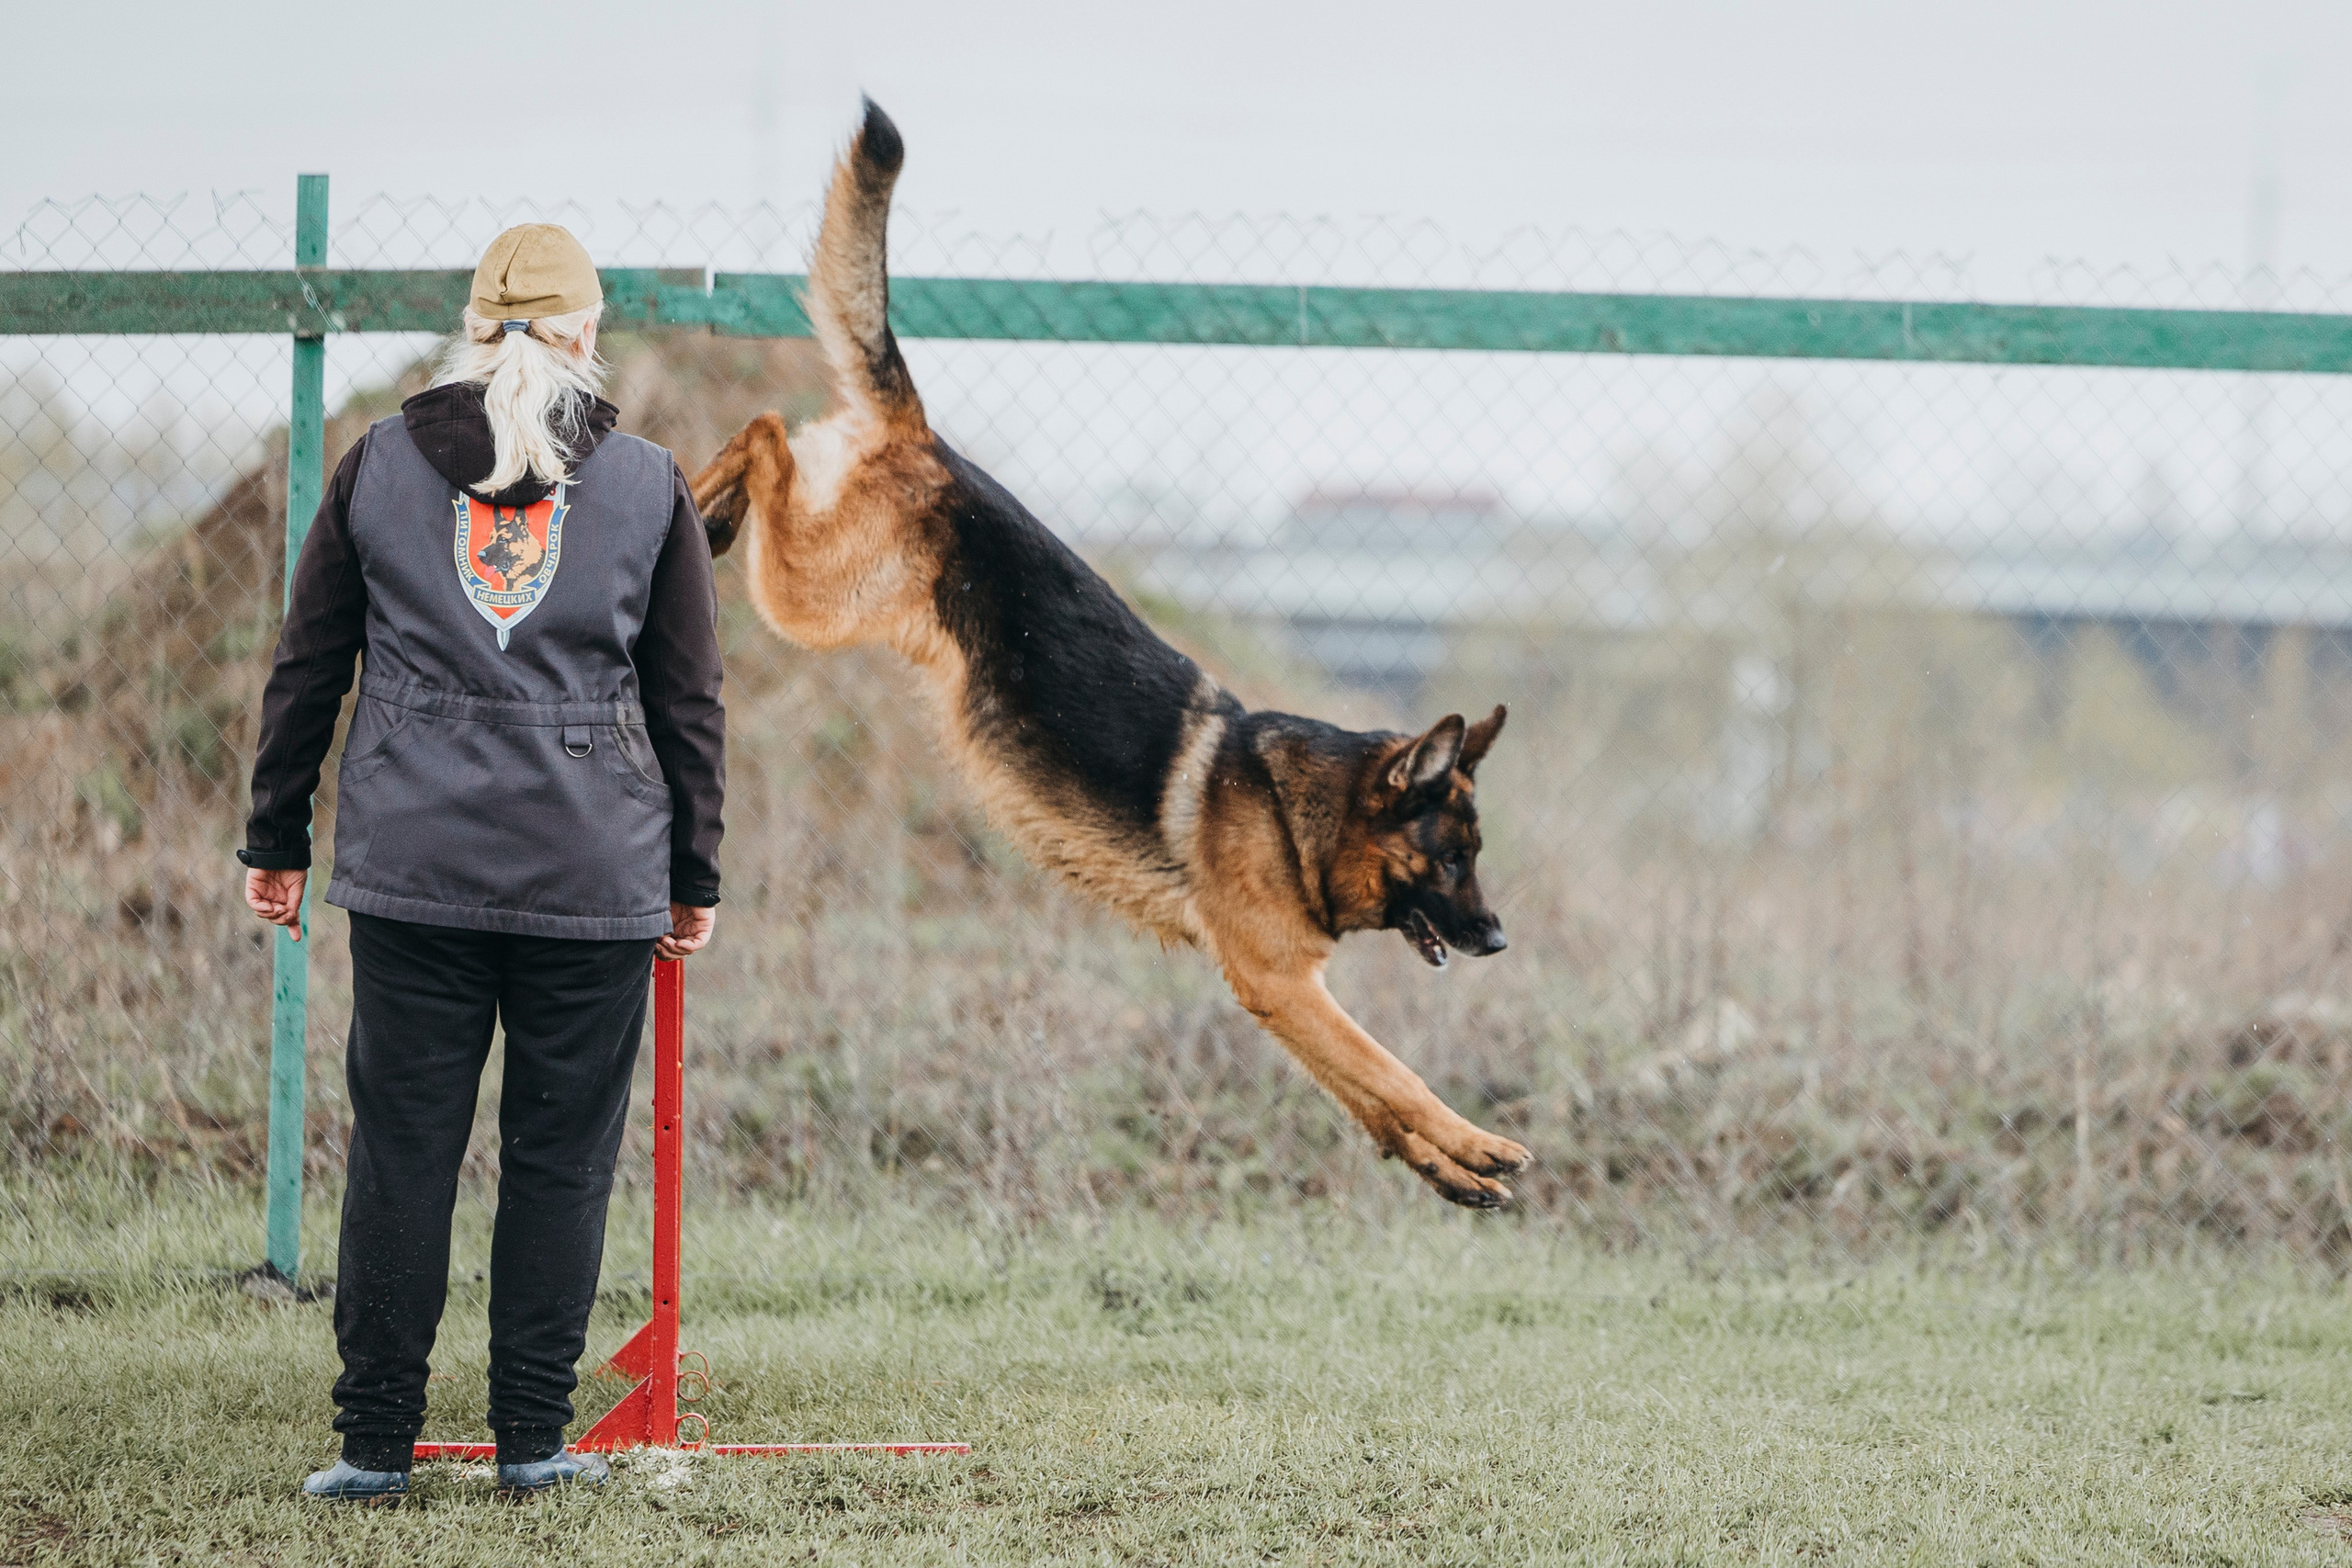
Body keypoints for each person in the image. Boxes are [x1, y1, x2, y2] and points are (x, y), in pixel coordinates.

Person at [239, 223, 726, 1500]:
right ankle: (530, 1444)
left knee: (402, 1148)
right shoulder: (646, 482)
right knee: (560, 1160)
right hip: (593, 875)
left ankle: (373, 1448)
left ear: (473, 329)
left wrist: (275, 836)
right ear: (582, 335)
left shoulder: (374, 469)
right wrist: (696, 872)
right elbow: (688, 702)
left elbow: (308, 665)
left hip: (414, 871)